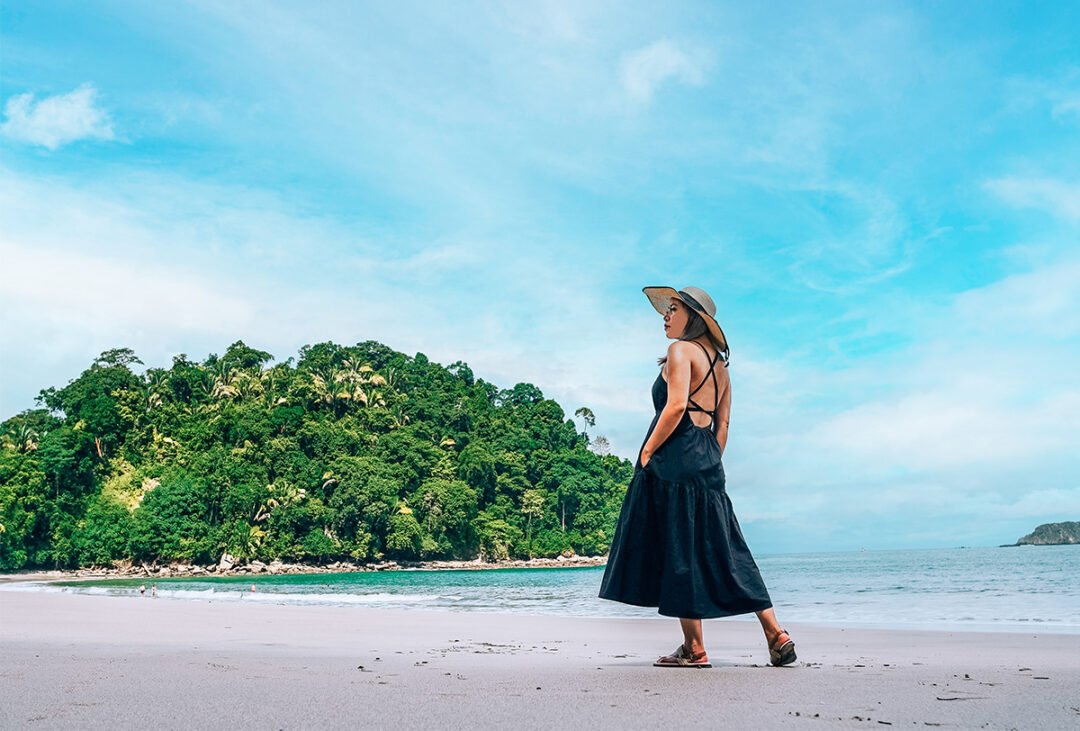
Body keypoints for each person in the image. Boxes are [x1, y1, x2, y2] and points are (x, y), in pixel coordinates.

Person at [599, 285, 796, 668]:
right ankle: (776, 632)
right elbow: (722, 424)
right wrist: (708, 461)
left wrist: (647, 450)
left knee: (679, 549)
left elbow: (674, 408)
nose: (665, 316)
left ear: (694, 317)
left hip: (674, 453)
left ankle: (695, 648)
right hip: (707, 457)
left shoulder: (679, 352)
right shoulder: (722, 369)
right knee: (729, 548)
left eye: (673, 309)